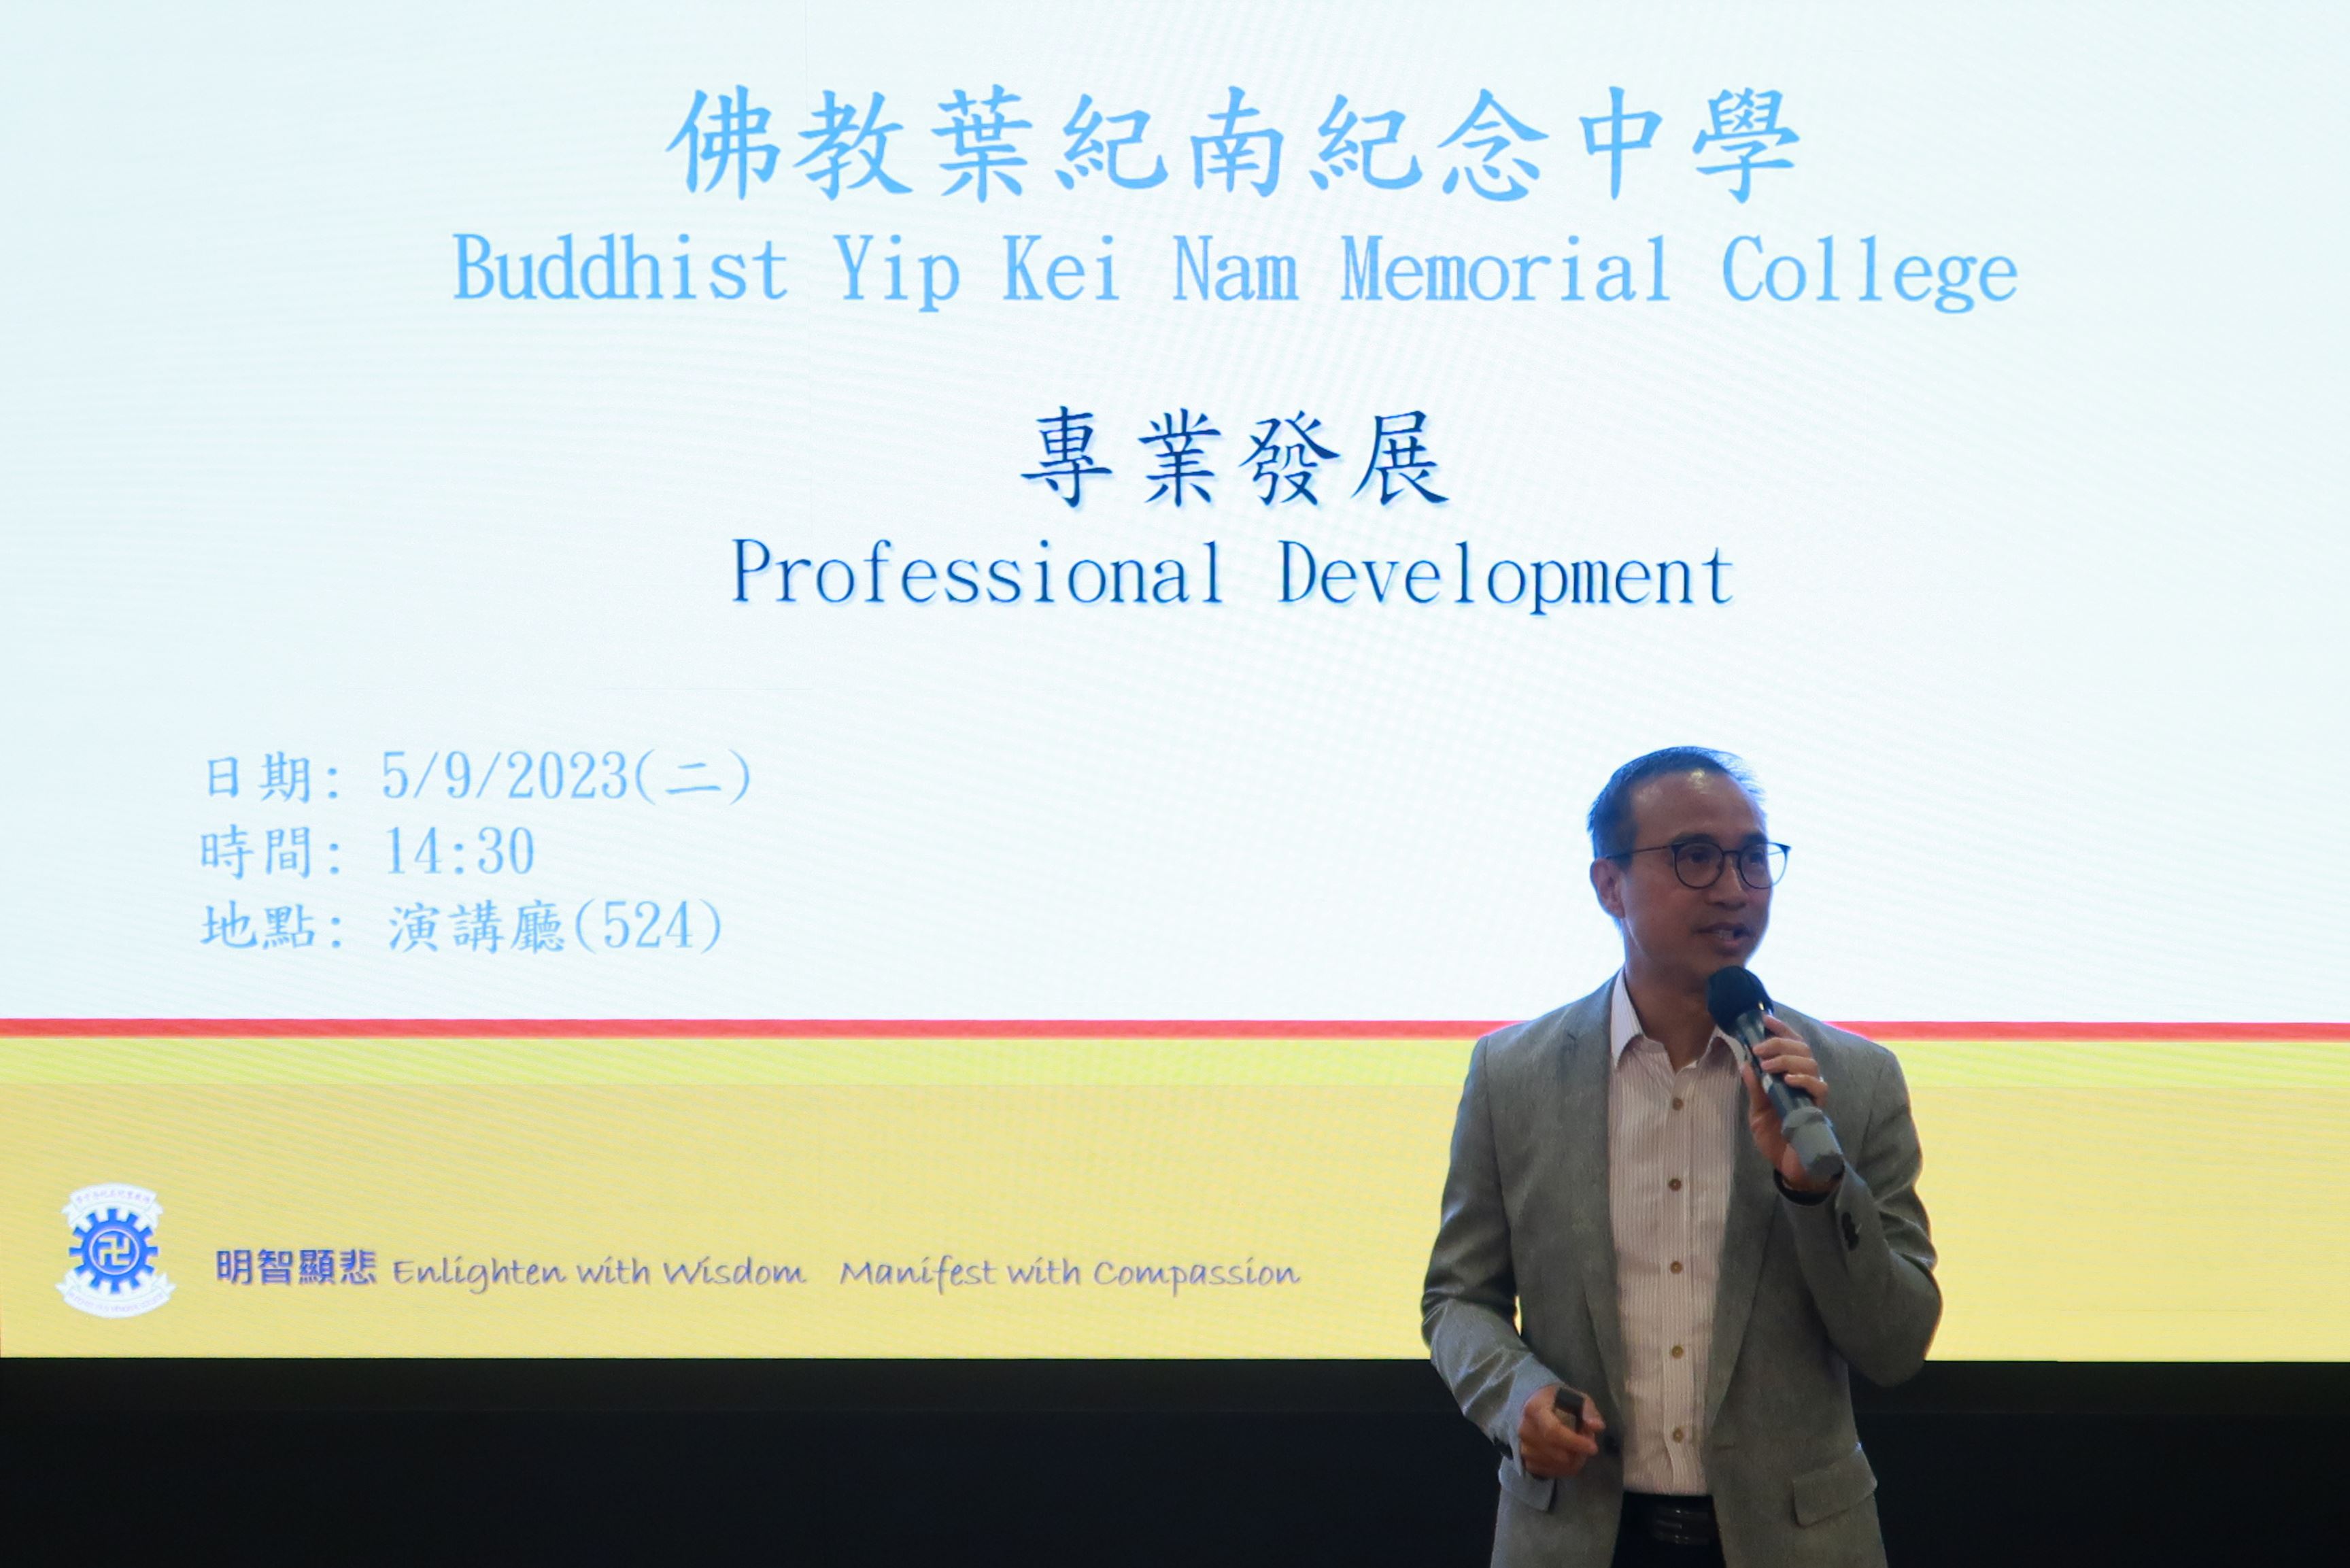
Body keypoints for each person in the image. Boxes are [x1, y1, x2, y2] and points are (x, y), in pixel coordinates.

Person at [1423, 748, 1939, 1568]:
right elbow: (1459, 1296)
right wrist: (1515, 1397)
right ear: (1609, 884)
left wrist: (1814, 1191)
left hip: (1794, 1542)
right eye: (1696, 856)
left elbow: (1896, 1343)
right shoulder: (1512, 1075)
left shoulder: (1852, 1078)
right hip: (1577, 1536)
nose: (1734, 888)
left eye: (1753, 858)